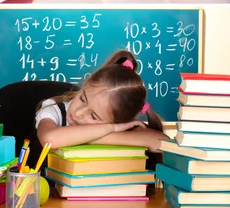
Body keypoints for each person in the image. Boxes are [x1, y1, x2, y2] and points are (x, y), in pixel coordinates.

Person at [35, 50, 168, 153]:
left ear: (119, 122)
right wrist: (111, 129)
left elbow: (163, 143)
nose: (79, 113)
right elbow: (49, 139)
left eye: (93, 116)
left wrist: (96, 134)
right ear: (86, 82)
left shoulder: (123, 125)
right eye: (82, 99)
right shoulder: (53, 110)